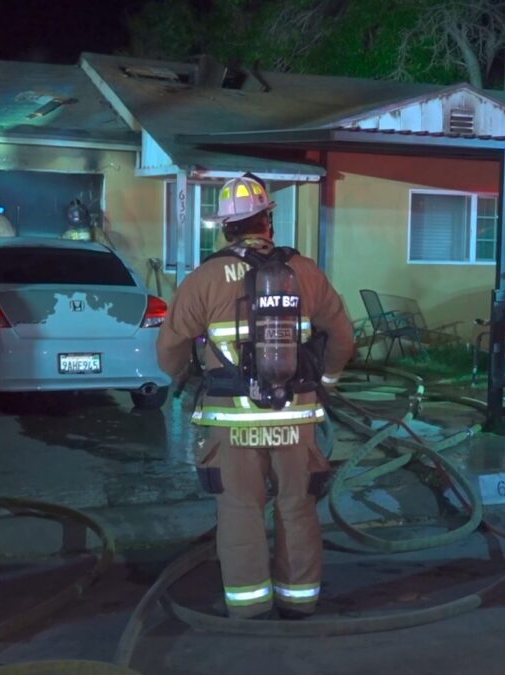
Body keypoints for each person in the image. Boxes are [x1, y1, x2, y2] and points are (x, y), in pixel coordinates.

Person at [156, 175, 355, 620]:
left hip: (231, 421)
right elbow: (343, 337)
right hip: (296, 417)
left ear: (226, 227)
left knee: (240, 511)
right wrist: (327, 381)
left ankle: (249, 610)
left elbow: (169, 348)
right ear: (268, 221)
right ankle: (299, 602)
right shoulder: (305, 272)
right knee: (297, 507)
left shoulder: (205, 278)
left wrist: (183, 376)